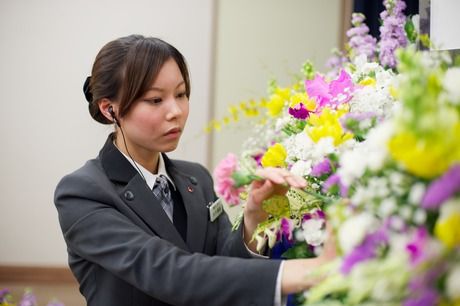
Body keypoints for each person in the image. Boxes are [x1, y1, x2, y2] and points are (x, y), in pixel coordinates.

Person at [54, 34, 335, 306]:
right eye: (155, 99)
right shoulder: (82, 192)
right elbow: (170, 273)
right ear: (109, 109)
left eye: (181, 94)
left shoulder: (196, 178)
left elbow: (224, 261)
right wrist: (309, 271)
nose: (175, 111)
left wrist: (252, 218)